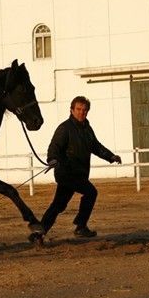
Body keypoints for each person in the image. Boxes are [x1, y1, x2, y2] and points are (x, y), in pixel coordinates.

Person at [33, 96, 122, 241]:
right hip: (67, 173)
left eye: (85, 110)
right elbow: (54, 147)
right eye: (79, 109)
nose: (82, 112)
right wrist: (52, 159)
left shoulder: (87, 128)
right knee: (91, 192)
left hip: (79, 174)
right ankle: (80, 227)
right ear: (72, 110)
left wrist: (111, 156)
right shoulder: (65, 128)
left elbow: (96, 146)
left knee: (58, 205)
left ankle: (38, 234)